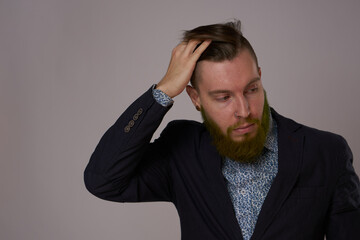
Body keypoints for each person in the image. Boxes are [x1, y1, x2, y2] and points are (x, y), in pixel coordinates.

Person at [84, 20, 360, 240]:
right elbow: (103, 180)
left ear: (260, 78)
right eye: (223, 97)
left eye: (251, 89)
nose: (244, 110)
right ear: (195, 98)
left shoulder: (326, 152)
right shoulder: (182, 151)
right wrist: (163, 91)